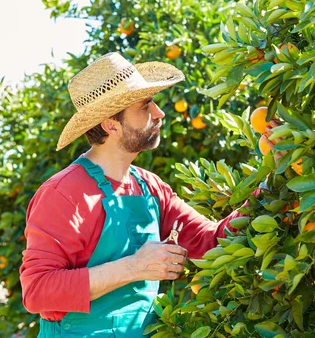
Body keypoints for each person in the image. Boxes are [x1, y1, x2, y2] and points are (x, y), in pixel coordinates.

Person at [19, 52, 245, 337]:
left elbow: (211, 241)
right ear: (111, 125)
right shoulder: (63, 194)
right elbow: (37, 291)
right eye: (145, 106)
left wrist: (274, 179)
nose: (159, 113)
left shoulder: (151, 188)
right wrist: (135, 267)